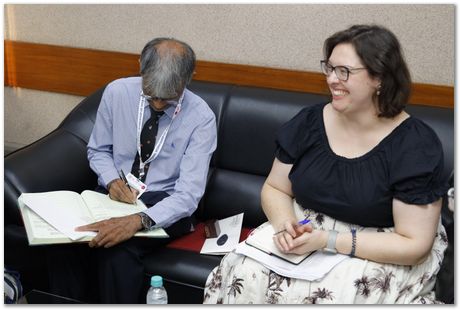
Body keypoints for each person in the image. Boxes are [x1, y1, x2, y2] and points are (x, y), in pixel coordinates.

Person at [203, 24, 448, 304]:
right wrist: (286, 225)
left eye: (344, 71)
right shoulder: (309, 122)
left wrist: (328, 240)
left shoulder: (414, 145)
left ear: (379, 78)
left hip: (379, 247)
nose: (332, 79)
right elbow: (275, 188)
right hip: (307, 230)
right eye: (329, 68)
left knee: (327, 295)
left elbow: (414, 244)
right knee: (244, 271)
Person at [46, 37, 217, 303]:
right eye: (152, 95)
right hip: (113, 193)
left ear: (190, 77)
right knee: (67, 243)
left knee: (117, 251)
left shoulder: (201, 118)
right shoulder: (116, 93)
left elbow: (188, 195)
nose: (158, 104)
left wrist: (139, 221)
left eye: (168, 98)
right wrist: (111, 179)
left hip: (165, 203)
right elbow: (99, 150)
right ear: (140, 67)